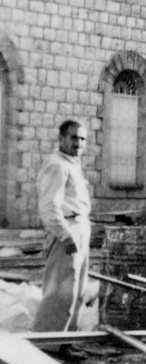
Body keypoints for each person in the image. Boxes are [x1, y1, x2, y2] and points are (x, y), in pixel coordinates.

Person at [34, 120, 92, 333]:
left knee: (77, 288)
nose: (79, 144)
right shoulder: (56, 164)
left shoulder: (71, 164)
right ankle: (48, 344)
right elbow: (49, 206)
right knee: (60, 289)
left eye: (83, 139)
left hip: (80, 226)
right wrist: (65, 236)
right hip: (67, 230)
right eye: (74, 138)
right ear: (61, 139)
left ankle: (67, 340)